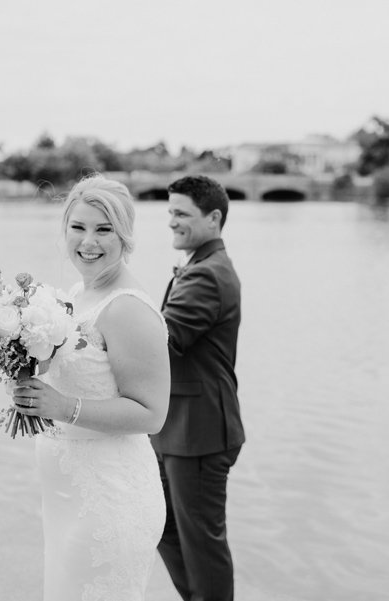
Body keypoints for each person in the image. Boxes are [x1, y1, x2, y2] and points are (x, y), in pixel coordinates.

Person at [11, 174, 170, 601]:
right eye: (78, 227)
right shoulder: (78, 293)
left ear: (125, 236)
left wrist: (62, 406)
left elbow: (152, 414)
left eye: (104, 230)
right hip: (68, 498)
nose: (88, 241)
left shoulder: (127, 310)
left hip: (109, 504)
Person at [151, 175, 245, 601]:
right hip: (178, 427)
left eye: (181, 213)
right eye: (170, 211)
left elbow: (161, 340)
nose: (171, 221)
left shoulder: (209, 275)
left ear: (213, 218)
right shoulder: (199, 266)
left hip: (201, 431)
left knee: (203, 545)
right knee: (162, 527)